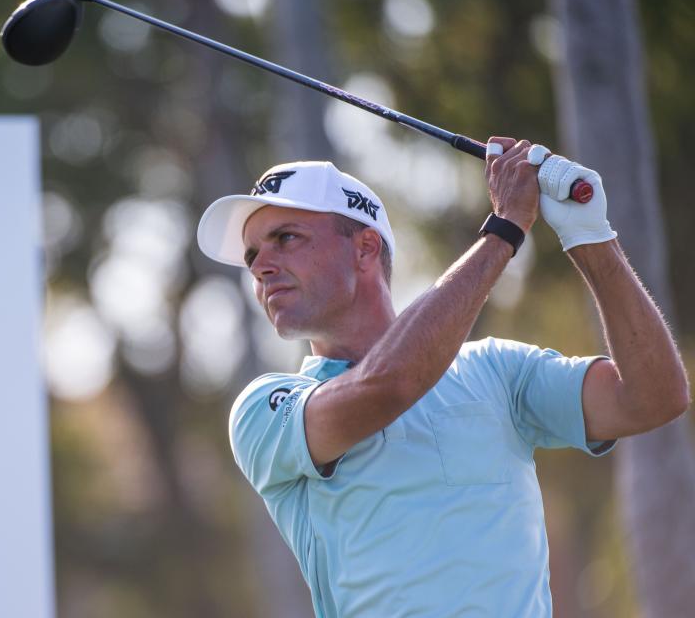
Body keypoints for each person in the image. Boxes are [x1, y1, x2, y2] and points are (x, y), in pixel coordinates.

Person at [195, 138, 690, 617]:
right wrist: (505, 229)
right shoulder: (267, 407)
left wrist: (591, 239)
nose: (261, 266)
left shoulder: (497, 370)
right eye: (252, 254)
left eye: (285, 238)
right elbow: (389, 385)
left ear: (365, 249)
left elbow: (653, 398)